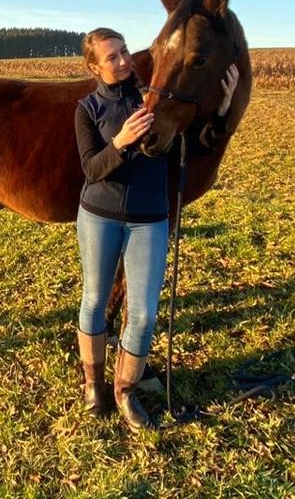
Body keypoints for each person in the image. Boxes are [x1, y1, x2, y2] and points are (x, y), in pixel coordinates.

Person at [74, 27, 239, 431]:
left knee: (144, 314)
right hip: (98, 215)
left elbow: (198, 144)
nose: (124, 60)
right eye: (111, 57)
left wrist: (224, 109)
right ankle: (94, 385)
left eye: (125, 51)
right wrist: (122, 142)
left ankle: (125, 390)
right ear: (95, 66)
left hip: (150, 219)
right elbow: (91, 169)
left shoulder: (154, 97)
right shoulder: (88, 108)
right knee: (95, 300)